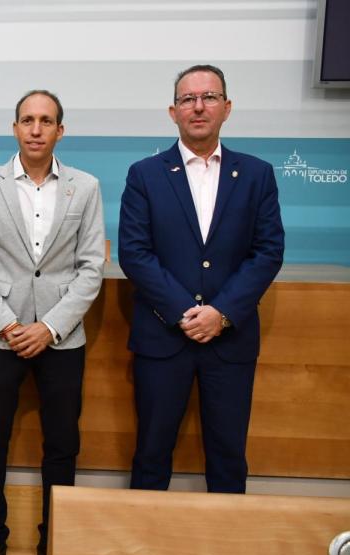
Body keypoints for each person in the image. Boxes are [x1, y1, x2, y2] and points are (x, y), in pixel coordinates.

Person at [0, 90, 105, 555]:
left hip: (61, 339)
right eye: (28, 120)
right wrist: (8, 324)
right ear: (15, 127)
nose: (36, 129)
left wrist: (50, 327)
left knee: (62, 444)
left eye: (46, 121)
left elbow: (90, 270)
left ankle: (54, 541)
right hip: (1, 336)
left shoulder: (85, 187)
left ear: (61, 130)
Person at [119, 65, 284, 495]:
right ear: (172, 111)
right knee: (151, 455)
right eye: (188, 99)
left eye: (209, 97)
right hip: (162, 338)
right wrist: (185, 313)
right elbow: (134, 253)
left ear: (226, 108)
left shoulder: (257, 174)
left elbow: (267, 252)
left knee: (228, 457)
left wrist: (221, 313)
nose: (198, 106)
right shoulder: (145, 174)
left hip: (230, 341)